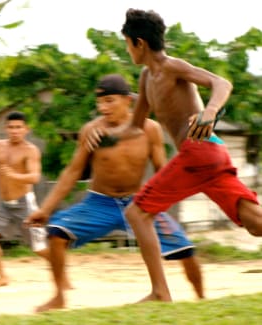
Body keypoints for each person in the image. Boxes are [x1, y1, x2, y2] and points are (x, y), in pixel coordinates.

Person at [112, 8, 262, 303]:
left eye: (127, 43)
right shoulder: (146, 78)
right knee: (255, 223)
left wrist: (209, 112)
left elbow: (222, 84)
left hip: (199, 150)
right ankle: (160, 291)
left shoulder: (172, 67)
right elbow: (136, 126)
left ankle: (160, 292)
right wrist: (101, 130)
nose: (127, 49)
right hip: (207, 157)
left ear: (139, 43)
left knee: (136, 213)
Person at [24, 74, 204, 312]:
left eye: (109, 101)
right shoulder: (92, 130)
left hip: (139, 203)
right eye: (100, 102)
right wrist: (45, 209)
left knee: (185, 250)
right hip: (100, 203)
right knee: (57, 234)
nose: (103, 108)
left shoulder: (150, 129)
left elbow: (162, 170)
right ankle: (59, 296)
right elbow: (72, 171)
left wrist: (162, 204)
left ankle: (202, 300)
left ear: (127, 100)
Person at [0, 111, 53, 289]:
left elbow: (35, 177)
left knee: (39, 248)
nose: (15, 131)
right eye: (11, 127)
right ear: (5, 128)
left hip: (25, 204)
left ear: (26, 129)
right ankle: (2, 276)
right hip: (4, 205)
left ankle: (61, 271)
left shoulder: (30, 150)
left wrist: (15, 175)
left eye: (18, 127)